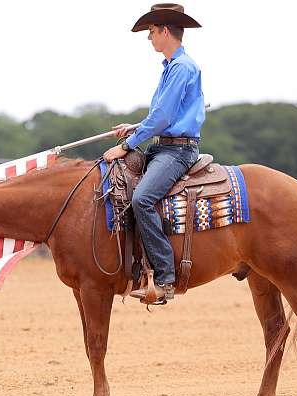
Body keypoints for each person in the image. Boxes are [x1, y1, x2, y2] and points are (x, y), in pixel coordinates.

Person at [103, 3, 205, 302]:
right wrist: (136, 127)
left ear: (164, 30)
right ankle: (137, 267)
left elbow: (161, 119)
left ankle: (165, 278)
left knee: (142, 199)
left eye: (150, 32)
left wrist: (125, 146)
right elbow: (166, 116)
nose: (149, 38)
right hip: (163, 146)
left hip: (176, 152)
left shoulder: (182, 67)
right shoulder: (172, 67)